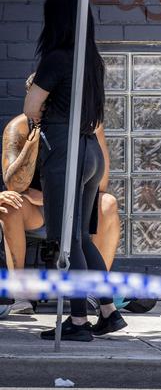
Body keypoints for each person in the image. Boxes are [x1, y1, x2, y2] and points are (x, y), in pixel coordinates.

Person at [23, 0, 126, 341]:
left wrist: (35, 88)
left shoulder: (56, 58)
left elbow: (30, 109)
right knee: (81, 237)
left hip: (64, 151)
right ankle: (109, 312)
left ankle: (79, 322)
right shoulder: (92, 60)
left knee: (62, 239)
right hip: (89, 150)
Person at [0, 74, 121, 316]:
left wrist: (57, 195)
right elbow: (13, 183)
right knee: (7, 204)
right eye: (38, 103)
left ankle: (93, 294)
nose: (43, 109)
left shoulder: (86, 127)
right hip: (35, 207)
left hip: (74, 203)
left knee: (107, 203)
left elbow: (100, 182)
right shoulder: (19, 127)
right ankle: (21, 294)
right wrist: (34, 139)